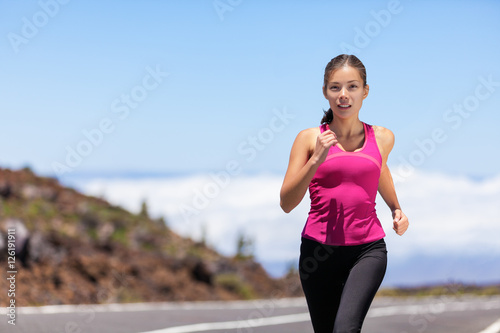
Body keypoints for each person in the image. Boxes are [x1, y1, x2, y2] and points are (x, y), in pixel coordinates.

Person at [280, 54, 409, 333]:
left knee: (345, 329)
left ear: (365, 91)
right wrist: (316, 159)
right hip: (318, 252)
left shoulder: (383, 137)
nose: (343, 95)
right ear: (325, 92)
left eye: (352, 86)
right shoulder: (308, 138)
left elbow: (379, 171)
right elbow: (287, 203)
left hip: (368, 249)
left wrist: (396, 208)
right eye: (335, 87)